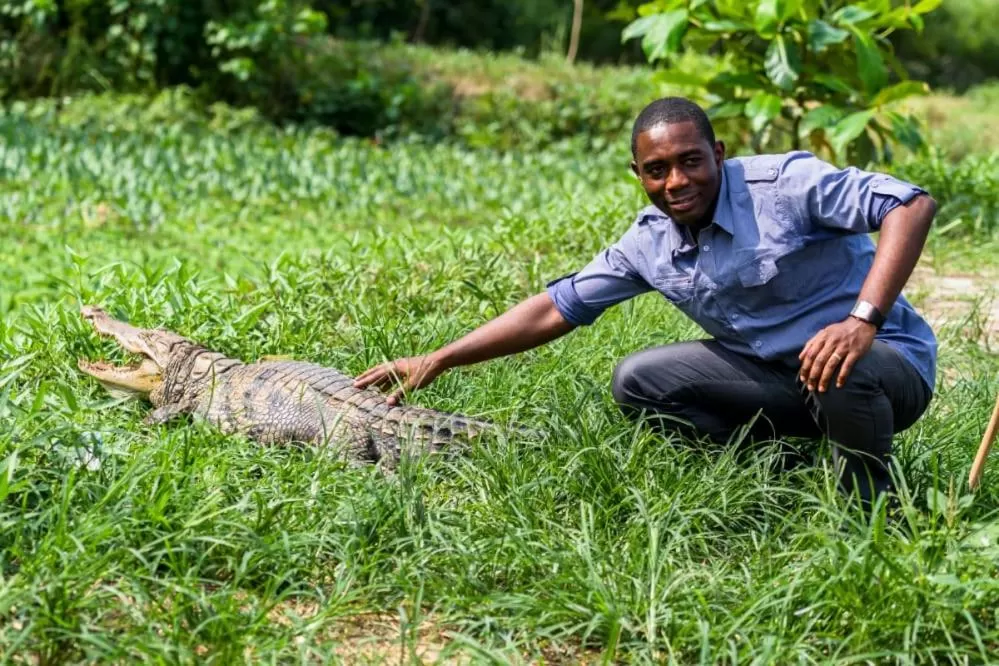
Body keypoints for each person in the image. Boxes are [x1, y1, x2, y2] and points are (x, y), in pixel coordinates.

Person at [353, 97, 938, 508]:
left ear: (718, 152)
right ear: (639, 175)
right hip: (782, 378)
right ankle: (780, 471)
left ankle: (868, 513)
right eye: (657, 171)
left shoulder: (783, 186)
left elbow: (909, 205)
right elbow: (555, 307)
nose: (676, 182)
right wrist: (438, 358)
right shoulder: (648, 242)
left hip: (883, 366)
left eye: (690, 161)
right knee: (638, 381)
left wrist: (862, 320)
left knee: (842, 363)